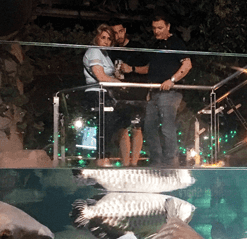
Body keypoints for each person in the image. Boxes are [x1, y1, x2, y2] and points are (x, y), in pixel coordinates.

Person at [134, 11, 192, 167]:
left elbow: (187, 65)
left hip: (170, 92)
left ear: (168, 26)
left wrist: (172, 80)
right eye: (154, 28)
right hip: (154, 92)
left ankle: (170, 161)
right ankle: (157, 160)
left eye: (160, 27)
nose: (156, 31)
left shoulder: (176, 43)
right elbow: (150, 68)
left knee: (167, 126)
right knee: (149, 126)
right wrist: (132, 69)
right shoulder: (156, 45)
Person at [82, 24, 126, 167]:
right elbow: (100, 76)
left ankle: (103, 157)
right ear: (97, 38)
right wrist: (118, 82)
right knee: (103, 126)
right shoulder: (94, 51)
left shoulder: (105, 54)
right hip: (95, 94)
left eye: (109, 39)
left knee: (110, 126)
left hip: (104, 93)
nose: (106, 41)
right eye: (103, 38)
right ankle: (100, 159)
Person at [107, 18, 149, 167]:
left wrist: (132, 69)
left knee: (137, 128)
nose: (118, 35)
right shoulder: (110, 51)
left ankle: (134, 163)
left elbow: (150, 68)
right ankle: (126, 164)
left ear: (125, 31)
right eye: (114, 33)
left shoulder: (137, 47)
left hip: (137, 93)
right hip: (119, 95)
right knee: (121, 128)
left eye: (120, 31)